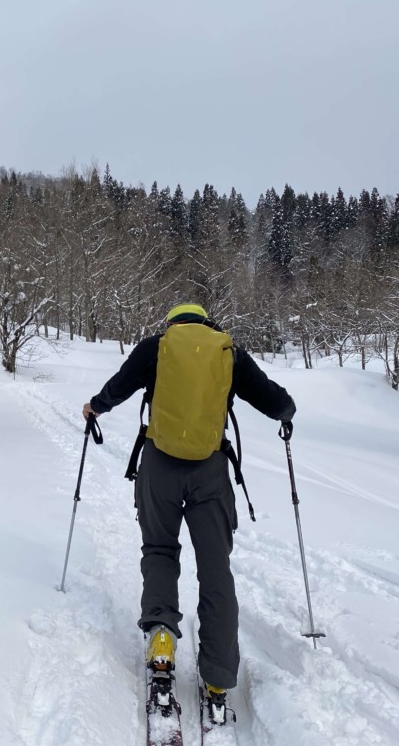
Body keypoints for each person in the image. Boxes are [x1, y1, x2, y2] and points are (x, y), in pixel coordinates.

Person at [82, 303, 295, 724]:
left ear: (173, 322)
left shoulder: (155, 347)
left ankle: (161, 639)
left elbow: (119, 387)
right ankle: (217, 677)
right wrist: (287, 412)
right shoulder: (228, 352)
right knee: (215, 568)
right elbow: (272, 400)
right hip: (210, 472)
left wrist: (95, 407)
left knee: (160, 551)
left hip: (159, 467)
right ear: (205, 322)